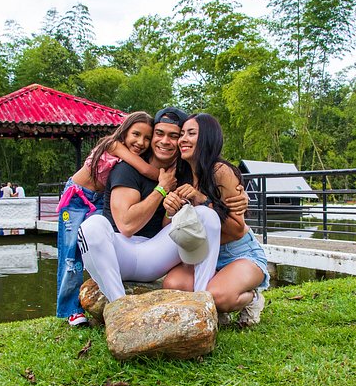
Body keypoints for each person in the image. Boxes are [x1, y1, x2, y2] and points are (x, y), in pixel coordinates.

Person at [77, 107, 248, 305]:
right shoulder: (127, 168)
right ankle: (120, 306)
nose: (165, 141)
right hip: (120, 252)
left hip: (156, 254)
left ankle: (202, 302)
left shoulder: (184, 174)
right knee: (92, 225)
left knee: (205, 215)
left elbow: (204, 198)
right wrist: (161, 189)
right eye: (159, 134)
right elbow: (126, 226)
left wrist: (241, 194)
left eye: (173, 135)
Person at [162, 113, 269, 327]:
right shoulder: (180, 175)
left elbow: (237, 229)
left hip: (238, 253)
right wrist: (169, 210)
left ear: (207, 138)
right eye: (182, 134)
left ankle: (252, 299)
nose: (183, 139)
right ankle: (219, 301)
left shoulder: (220, 172)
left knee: (217, 296)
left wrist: (202, 200)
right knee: (171, 284)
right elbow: (168, 229)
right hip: (203, 256)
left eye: (191, 133)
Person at [56, 111, 159, 326]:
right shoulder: (113, 145)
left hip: (99, 199)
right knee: (70, 255)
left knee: (93, 247)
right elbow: (147, 170)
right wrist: (168, 178)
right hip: (77, 197)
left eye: (147, 138)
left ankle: (95, 298)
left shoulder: (131, 155)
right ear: (125, 131)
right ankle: (69, 310)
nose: (141, 142)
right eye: (136, 134)